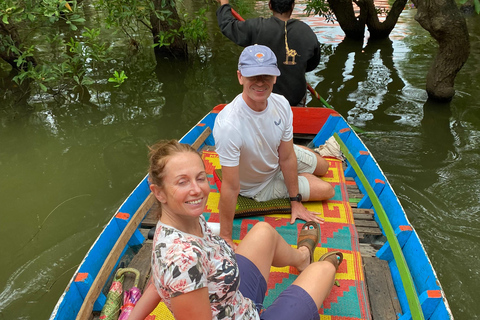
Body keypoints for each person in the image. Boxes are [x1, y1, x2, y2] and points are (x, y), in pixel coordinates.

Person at [127, 139, 344, 320]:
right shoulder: (183, 260)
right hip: (234, 308)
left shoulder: (178, 222)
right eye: (182, 182)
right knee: (323, 270)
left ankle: (301, 258)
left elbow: (157, 284)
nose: (197, 190)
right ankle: (309, 265)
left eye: (200, 178)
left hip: (232, 300)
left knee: (263, 232)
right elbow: (179, 272)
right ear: (159, 193)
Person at [213, 45, 335, 248]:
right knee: (327, 190)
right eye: (253, 76)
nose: (260, 82)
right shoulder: (229, 125)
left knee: (325, 167)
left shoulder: (281, 104)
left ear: (275, 77)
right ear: (240, 77)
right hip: (259, 185)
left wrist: (295, 201)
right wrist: (225, 236)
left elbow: (286, 157)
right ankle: (300, 177)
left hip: (279, 158)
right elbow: (231, 186)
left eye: (266, 75)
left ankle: (299, 173)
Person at [216, 0, 321, 107]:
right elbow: (312, 64)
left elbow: (227, 25)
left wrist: (224, 4)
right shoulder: (306, 32)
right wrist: (295, 67)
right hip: (295, 98)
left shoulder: (256, 27)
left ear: (270, 5)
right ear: (293, 6)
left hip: (263, 97)